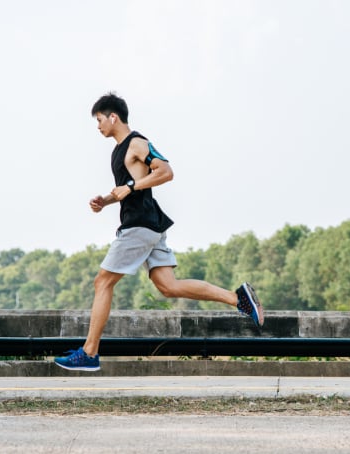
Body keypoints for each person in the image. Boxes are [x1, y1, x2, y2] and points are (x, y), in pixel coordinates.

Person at [55, 92, 263, 371]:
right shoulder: (119, 150)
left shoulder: (137, 143)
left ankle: (89, 353)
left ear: (113, 117)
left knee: (102, 283)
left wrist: (128, 189)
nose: (98, 126)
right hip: (149, 224)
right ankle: (238, 299)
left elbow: (165, 172)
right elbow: (134, 184)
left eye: (100, 119)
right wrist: (106, 200)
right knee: (168, 286)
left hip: (139, 225)